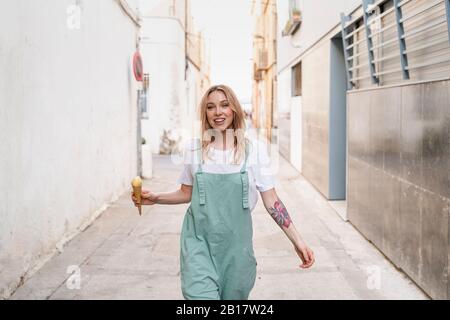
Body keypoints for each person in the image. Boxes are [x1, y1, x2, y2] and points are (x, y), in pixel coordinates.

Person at [131, 85, 315, 300]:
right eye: (211, 107)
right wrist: (156, 198)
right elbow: (187, 192)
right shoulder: (194, 150)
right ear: (205, 113)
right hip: (198, 244)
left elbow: (272, 201)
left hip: (237, 251)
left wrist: (298, 241)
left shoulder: (254, 151)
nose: (218, 112)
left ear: (234, 109)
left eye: (224, 105)